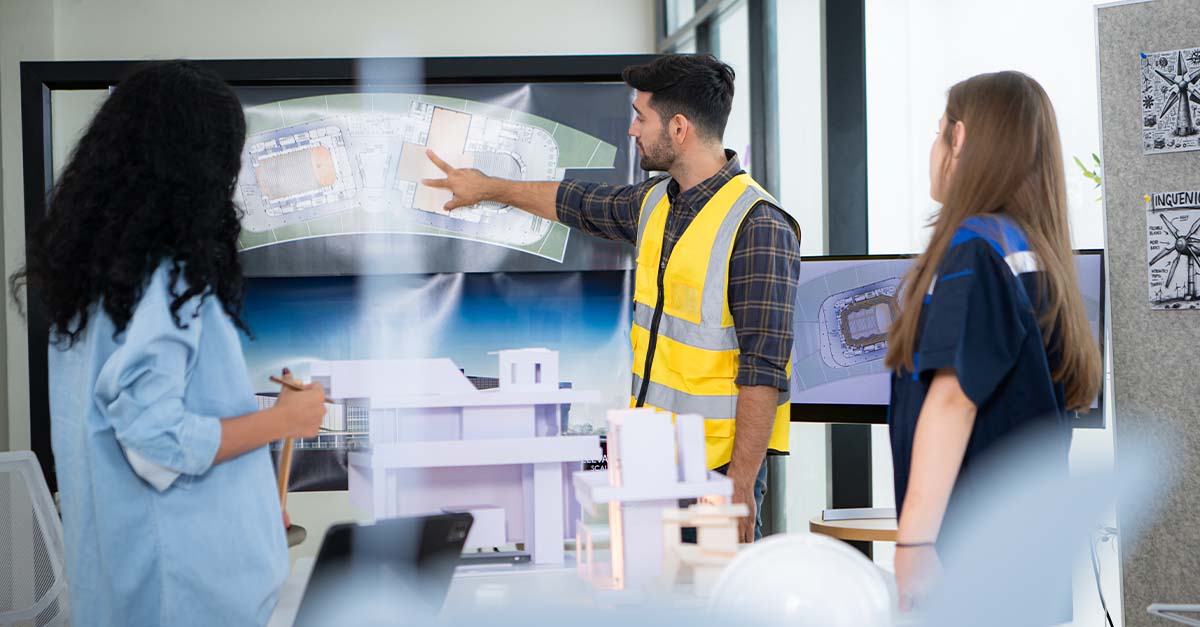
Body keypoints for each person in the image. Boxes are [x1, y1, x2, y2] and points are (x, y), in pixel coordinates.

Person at [423, 53, 801, 542]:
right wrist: (488, 187)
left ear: (679, 128)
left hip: (715, 474)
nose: (632, 129)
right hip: (651, 460)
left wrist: (741, 486)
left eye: (641, 117)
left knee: (712, 591)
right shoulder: (655, 201)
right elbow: (576, 201)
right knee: (650, 588)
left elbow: (764, 370)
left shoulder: (759, 225)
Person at [11, 60, 327, 626]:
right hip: (185, 595)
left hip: (128, 585)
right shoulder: (167, 278)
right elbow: (157, 441)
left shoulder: (94, 284)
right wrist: (286, 419)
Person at [884, 71, 1102, 614]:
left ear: (959, 139)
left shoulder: (976, 251)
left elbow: (953, 400)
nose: (933, 149)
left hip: (976, 548)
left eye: (938, 132)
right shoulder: (1028, 248)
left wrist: (914, 543)